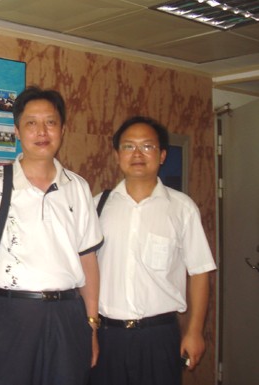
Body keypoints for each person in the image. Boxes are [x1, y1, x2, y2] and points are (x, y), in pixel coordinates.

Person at [0, 86, 103, 385]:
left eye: (50, 122)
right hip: (10, 314)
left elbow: (88, 259)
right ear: (16, 131)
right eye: (31, 123)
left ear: (62, 130)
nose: (42, 131)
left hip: (68, 315)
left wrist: (91, 325)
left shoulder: (77, 187)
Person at [89, 116, 216, 385]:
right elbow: (85, 272)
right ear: (117, 155)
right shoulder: (97, 206)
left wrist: (194, 331)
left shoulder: (182, 208)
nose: (137, 154)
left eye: (147, 146)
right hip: (107, 336)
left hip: (159, 337)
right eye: (128, 146)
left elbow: (200, 272)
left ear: (162, 155)